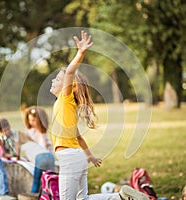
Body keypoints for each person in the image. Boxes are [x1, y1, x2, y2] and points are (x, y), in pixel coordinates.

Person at [49, 30, 149, 200]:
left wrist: (80, 53)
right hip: (78, 157)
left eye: (57, 79)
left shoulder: (65, 99)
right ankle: (120, 197)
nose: (53, 81)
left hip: (69, 159)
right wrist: (89, 156)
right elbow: (78, 136)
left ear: (70, 86)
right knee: (83, 199)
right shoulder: (63, 106)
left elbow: (70, 72)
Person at [24, 106, 55, 193]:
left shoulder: (42, 133)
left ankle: (40, 195)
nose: (31, 122)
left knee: (41, 181)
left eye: (33, 121)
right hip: (41, 157)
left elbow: (45, 147)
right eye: (29, 120)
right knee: (44, 180)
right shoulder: (29, 131)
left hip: (42, 157)